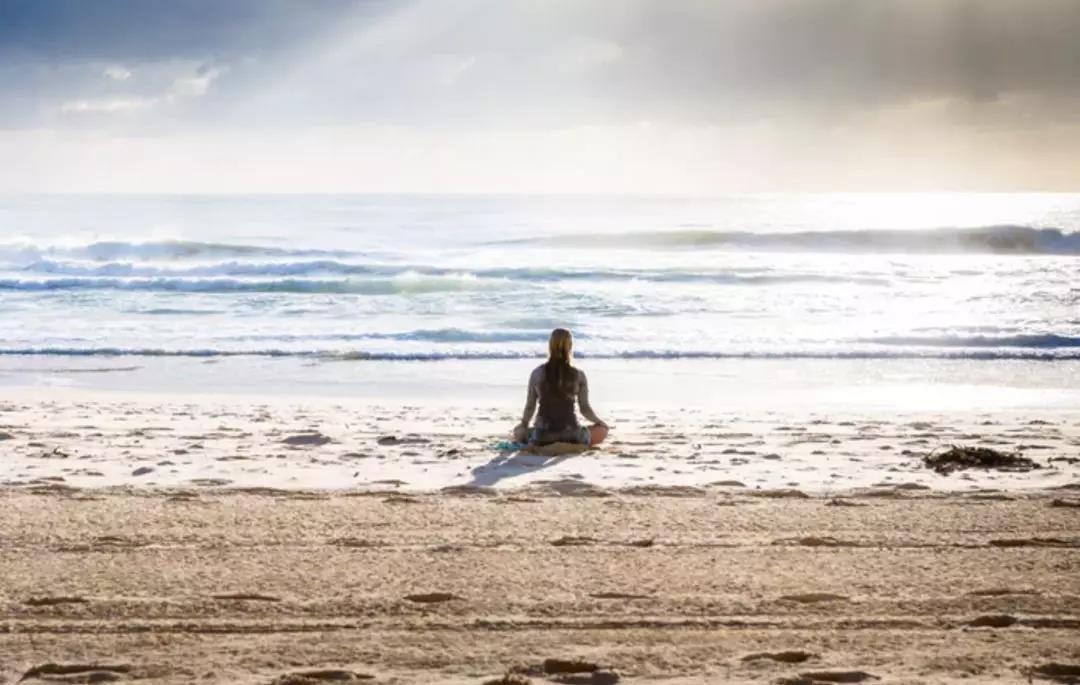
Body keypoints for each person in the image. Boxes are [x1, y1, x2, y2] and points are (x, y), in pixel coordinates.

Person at [513, 328, 609, 447]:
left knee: (518, 431)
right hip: (572, 435)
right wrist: (599, 422)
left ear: (550, 346)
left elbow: (530, 407)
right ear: (570, 346)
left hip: (542, 436)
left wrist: (523, 425)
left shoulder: (537, 373)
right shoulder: (578, 375)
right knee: (602, 430)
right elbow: (584, 409)